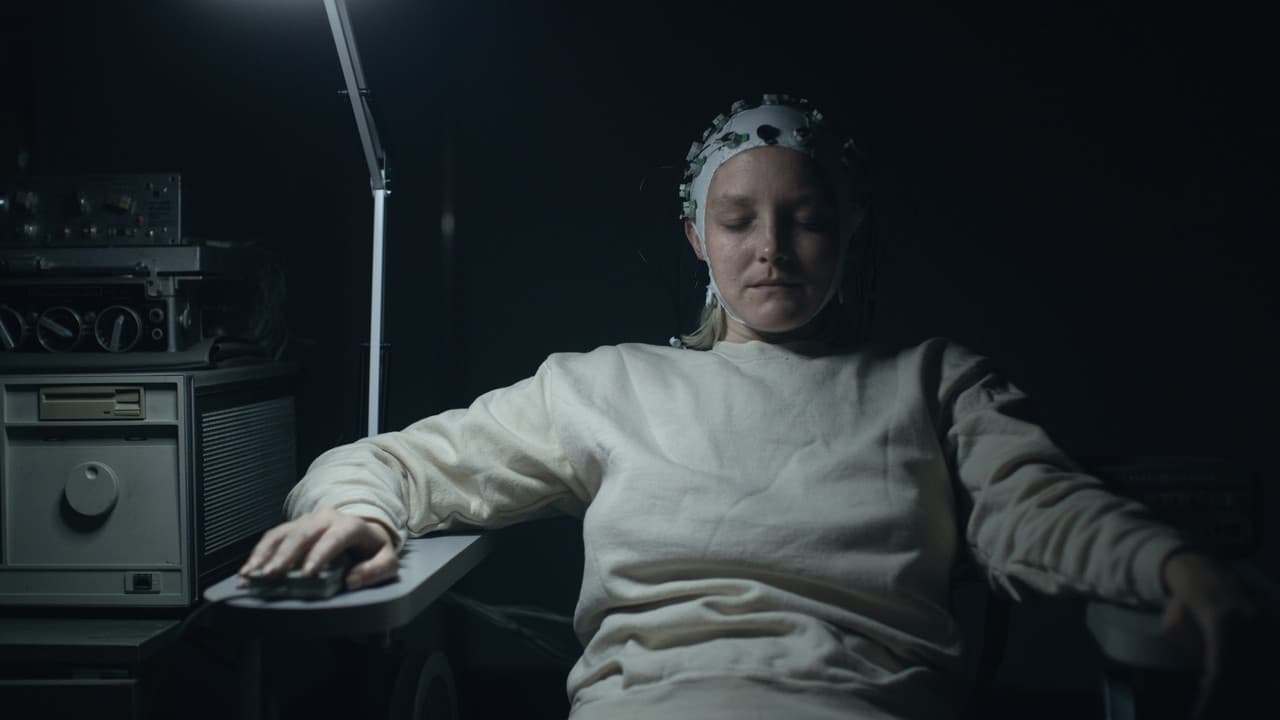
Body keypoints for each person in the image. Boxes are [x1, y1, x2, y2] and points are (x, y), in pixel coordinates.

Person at [242, 95, 1260, 719]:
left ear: (847, 230)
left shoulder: (930, 382)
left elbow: (1039, 504)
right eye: (737, 220)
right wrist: (357, 508)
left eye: (804, 219)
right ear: (696, 235)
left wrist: (1163, 562)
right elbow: (400, 462)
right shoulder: (606, 386)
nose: (771, 248)